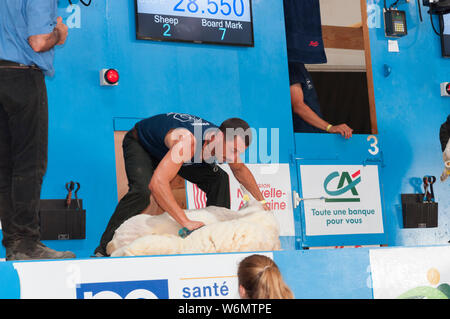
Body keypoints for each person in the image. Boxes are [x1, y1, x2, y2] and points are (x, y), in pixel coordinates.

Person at [94, 113, 270, 257]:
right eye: (232, 151)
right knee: (142, 191)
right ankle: (103, 250)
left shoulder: (223, 142)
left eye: (238, 153)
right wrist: (185, 222)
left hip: (175, 154)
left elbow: (240, 170)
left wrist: (262, 204)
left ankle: (213, 239)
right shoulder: (188, 141)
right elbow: (158, 184)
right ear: (219, 136)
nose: (233, 158)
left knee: (219, 179)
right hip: (143, 145)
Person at [0, 1, 76, 260]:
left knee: (5, 168)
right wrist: (60, 34)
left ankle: (14, 243)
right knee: (29, 165)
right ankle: (26, 243)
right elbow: (38, 42)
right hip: (22, 76)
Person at [283, 0, 353, 138]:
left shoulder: (299, 64)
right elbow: (298, 106)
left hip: (314, 135)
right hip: (304, 138)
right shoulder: (292, 65)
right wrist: (330, 127)